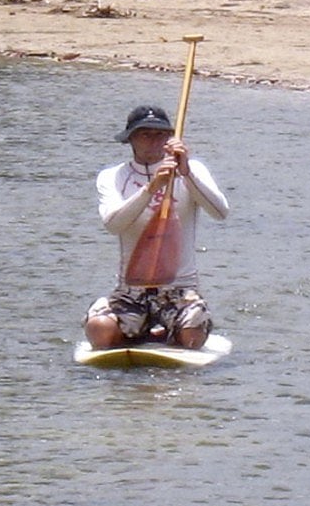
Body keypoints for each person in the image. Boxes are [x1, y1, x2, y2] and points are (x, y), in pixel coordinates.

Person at [83, 105, 229, 350]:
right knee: (99, 331)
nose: (154, 140)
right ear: (130, 139)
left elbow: (220, 212)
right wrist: (151, 189)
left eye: (160, 134)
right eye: (145, 135)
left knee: (191, 335)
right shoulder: (113, 177)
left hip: (179, 289)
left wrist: (186, 174)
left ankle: (174, 333)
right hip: (131, 290)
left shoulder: (192, 170)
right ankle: (135, 334)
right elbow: (113, 224)